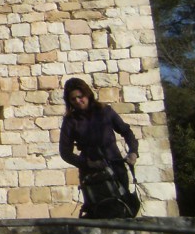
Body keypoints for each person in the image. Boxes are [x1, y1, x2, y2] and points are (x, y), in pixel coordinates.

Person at [58, 77, 139, 213]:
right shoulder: (70, 121)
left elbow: (126, 131)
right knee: (99, 211)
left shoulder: (105, 111)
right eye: (73, 99)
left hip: (116, 167)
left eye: (80, 96)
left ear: (87, 94)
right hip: (92, 175)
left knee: (122, 208)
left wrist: (133, 152)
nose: (78, 101)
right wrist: (88, 163)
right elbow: (65, 152)